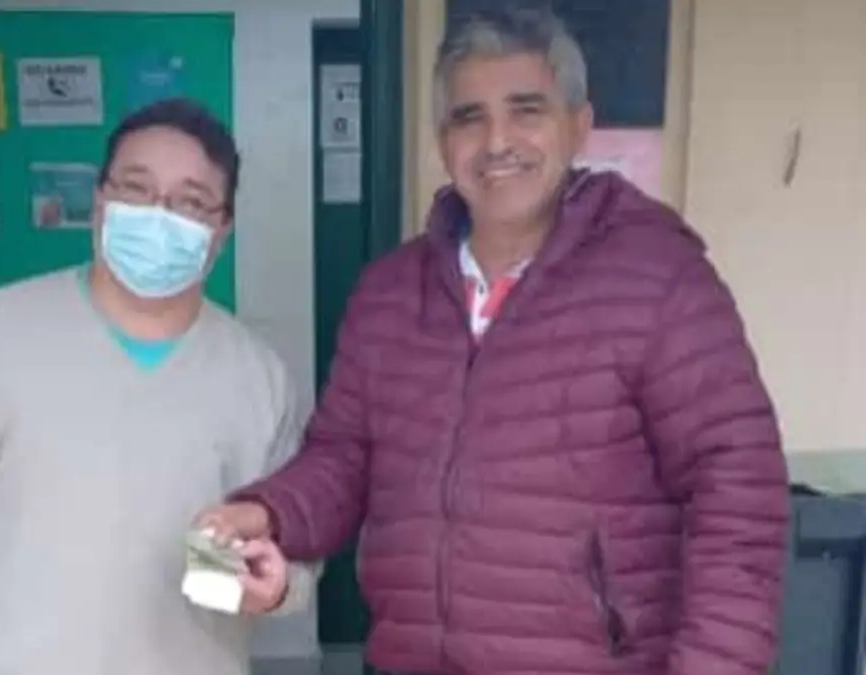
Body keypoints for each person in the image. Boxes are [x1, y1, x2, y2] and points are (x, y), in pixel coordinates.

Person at [197, 8, 789, 675]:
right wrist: (268, 512)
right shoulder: (391, 293)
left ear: (579, 125)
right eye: (469, 117)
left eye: (526, 110)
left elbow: (737, 491)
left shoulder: (658, 278)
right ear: (443, 141)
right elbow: (343, 456)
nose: (497, 141)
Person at [0, 97, 313, 675]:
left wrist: (277, 588)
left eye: (191, 202)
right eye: (136, 189)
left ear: (222, 229)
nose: (159, 214)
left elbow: (291, 549)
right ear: (100, 202)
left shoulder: (257, 378)